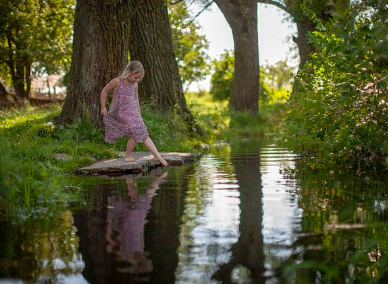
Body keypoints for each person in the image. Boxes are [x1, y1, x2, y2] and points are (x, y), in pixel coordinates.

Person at [101, 61, 168, 167]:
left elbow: (136, 99)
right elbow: (104, 91)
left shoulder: (135, 84)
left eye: (138, 79)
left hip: (133, 112)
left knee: (142, 132)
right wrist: (103, 106)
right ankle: (131, 155)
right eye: (135, 77)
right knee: (136, 131)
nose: (137, 80)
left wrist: (138, 113)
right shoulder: (117, 81)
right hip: (122, 112)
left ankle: (156, 156)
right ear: (128, 72)